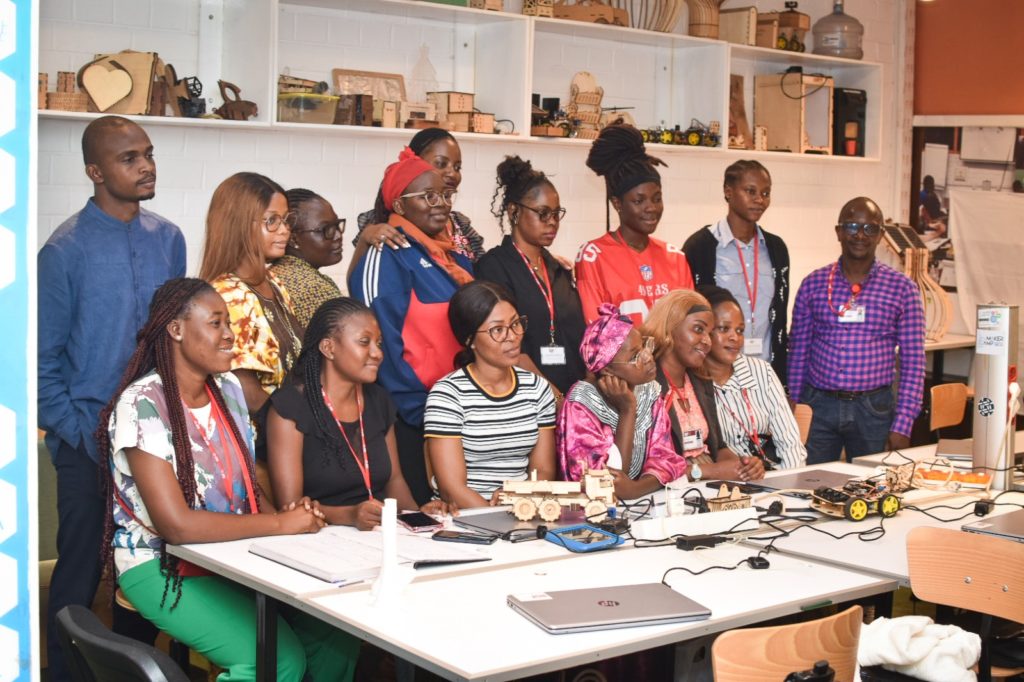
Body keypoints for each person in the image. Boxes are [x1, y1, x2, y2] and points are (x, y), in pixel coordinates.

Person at [97, 278, 358, 681]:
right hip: (158, 564)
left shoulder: (229, 389)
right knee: (275, 661)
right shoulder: (143, 403)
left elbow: (247, 486)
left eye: (229, 323)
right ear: (176, 329)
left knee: (335, 631)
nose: (230, 335)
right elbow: (176, 526)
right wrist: (279, 524)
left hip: (233, 554)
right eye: (216, 323)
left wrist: (291, 522)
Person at [37, 115, 186, 681]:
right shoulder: (64, 250)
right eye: (129, 158)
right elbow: (41, 365)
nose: (146, 166)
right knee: (78, 574)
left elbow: (174, 339)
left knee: (157, 568)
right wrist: (83, 433)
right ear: (94, 172)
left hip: (155, 438)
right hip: (85, 443)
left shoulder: (169, 238)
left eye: (148, 154)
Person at [348, 147, 473, 505]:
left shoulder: (453, 257)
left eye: (445, 195)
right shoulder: (386, 254)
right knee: (423, 516)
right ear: (400, 206)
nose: (442, 204)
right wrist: (418, 408)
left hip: (457, 412)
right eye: (429, 196)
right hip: (412, 418)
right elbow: (378, 344)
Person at [267, 297, 452, 528]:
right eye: (365, 342)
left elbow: (394, 482)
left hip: (378, 532)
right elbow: (290, 507)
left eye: (379, 343)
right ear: (328, 348)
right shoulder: (290, 407)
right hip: (320, 536)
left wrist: (417, 516)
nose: (377, 353)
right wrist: (351, 515)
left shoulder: (379, 400)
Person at [788, 197, 926, 463]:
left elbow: (914, 362)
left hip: (874, 410)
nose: (860, 235)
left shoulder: (903, 289)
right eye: (852, 226)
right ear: (838, 232)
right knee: (811, 480)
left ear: (881, 235)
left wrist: (903, 423)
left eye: (870, 228)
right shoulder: (813, 284)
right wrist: (795, 405)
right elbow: (798, 351)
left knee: (872, 483)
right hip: (818, 407)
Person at [425, 281, 557, 506]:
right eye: (497, 330)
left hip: (521, 509)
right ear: (469, 340)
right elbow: (451, 489)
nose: (512, 336)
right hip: (465, 515)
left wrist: (520, 499)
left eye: (515, 324)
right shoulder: (448, 395)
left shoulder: (537, 388)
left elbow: (543, 471)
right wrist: (496, 518)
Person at [474, 155, 587, 397]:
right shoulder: (493, 267)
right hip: (530, 397)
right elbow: (507, 344)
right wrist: (555, 398)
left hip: (576, 397)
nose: (552, 222)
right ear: (514, 212)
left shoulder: (559, 269)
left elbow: (579, 335)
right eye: (543, 213)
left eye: (556, 214)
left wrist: (587, 393)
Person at [199, 172, 304, 423]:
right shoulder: (227, 294)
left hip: (290, 426)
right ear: (239, 224)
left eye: (286, 220)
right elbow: (245, 392)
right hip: (261, 435)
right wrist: (300, 427)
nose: (285, 230)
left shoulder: (274, 282)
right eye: (272, 221)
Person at [558, 304, 689, 499]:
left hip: (643, 500)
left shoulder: (648, 390)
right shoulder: (581, 403)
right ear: (607, 370)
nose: (648, 358)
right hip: (594, 509)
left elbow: (667, 460)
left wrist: (635, 489)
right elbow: (602, 480)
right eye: (635, 356)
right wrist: (628, 410)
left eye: (645, 346)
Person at [682, 160, 791, 384]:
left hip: (765, 374)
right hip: (714, 376)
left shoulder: (776, 249)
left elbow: (780, 318)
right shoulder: (700, 247)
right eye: (750, 191)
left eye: (765, 193)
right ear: (728, 192)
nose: (759, 200)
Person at [576, 124, 694, 325]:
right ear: (617, 204)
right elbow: (597, 327)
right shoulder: (594, 256)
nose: (651, 208)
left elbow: (690, 324)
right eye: (639, 201)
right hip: (621, 348)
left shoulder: (675, 258)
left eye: (657, 199)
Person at [643, 290, 765, 482]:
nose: (708, 341)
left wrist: (743, 466)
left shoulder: (700, 379)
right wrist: (706, 471)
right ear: (670, 327)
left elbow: (719, 447)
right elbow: (643, 465)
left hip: (708, 484)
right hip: (668, 488)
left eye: (709, 333)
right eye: (698, 329)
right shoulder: (645, 383)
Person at [349, 128, 484, 278]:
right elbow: (361, 280)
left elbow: (483, 276)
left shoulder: (460, 224)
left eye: (457, 167)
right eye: (441, 163)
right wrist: (365, 238)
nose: (452, 173)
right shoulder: (379, 225)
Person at [698, 286, 806, 470]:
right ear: (703, 332)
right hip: (722, 482)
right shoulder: (690, 381)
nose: (735, 337)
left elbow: (790, 445)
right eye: (724, 329)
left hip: (774, 476)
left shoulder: (761, 371)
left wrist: (789, 482)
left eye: (740, 330)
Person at [270, 188, 345, 328]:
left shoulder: (276, 273)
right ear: (293, 239)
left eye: (337, 225)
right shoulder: (313, 289)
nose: (338, 235)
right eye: (326, 229)